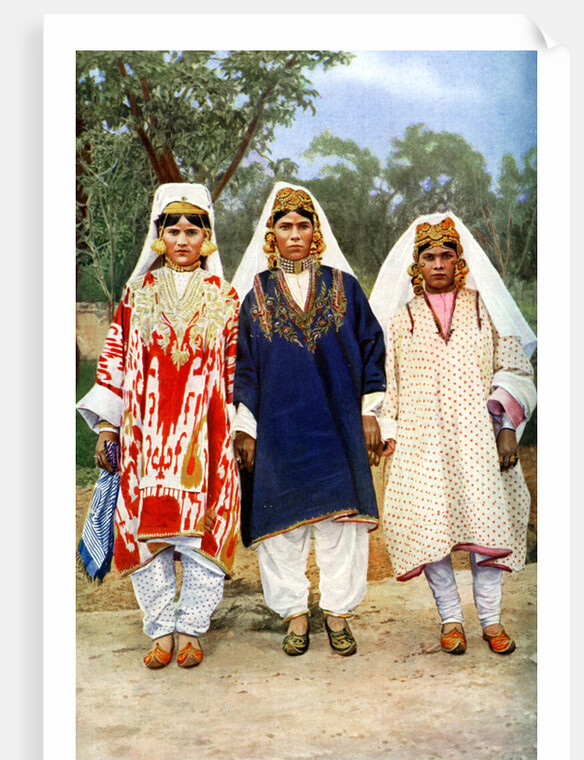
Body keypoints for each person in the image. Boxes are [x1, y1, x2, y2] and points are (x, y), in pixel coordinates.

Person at [77, 183, 240, 669]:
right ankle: (160, 631)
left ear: (207, 238)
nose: (183, 239)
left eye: (193, 230)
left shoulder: (225, 297)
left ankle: (191, 628)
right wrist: (109, 427)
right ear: (159, 237)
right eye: (174, 229)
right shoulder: (136, 294)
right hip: (146, 435)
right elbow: (115, 363)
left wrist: (236, 430)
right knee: (146, 534)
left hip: (204, 436)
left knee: (202, 535)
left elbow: (235, 370)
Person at [369, 212, 537, 656]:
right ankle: (450, 619)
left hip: (479, 442)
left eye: (447, 255)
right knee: (430, 528)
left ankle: (491, 620)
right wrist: (388, 431)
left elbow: (516, 370)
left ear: (460, 261)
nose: (438, 264)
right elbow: (389, 386)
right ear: (417, 265)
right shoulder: (399, 320)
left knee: (488, 528)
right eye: (429, 256)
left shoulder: (485, 309)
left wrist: (506, 428)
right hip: (423, 445)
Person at [231, 182, 386, 657]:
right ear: (271, 234)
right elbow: (246, 367)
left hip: (337, 425)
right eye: (285, 226)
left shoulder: (345, 287)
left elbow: (372, 350)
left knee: (342, 526)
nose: (294, 233)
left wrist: (369, 413)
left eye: (303, 225)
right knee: (283, 528)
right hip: (279, 428)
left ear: (315, 233)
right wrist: (246, 427)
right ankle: (295, 615)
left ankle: (338, 613)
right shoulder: (255, 297)